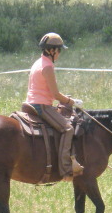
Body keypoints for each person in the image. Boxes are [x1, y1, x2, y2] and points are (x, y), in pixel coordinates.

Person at [25, 32, 83, 180]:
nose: (59, 54)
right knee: (67, 129)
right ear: (52, 50)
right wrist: (72, 102)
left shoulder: (38, 62)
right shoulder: (48, 67)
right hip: (41, 106)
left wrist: (66, 99)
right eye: (59, 50)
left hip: (32, 102)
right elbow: (56, 94)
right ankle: (65, 169)